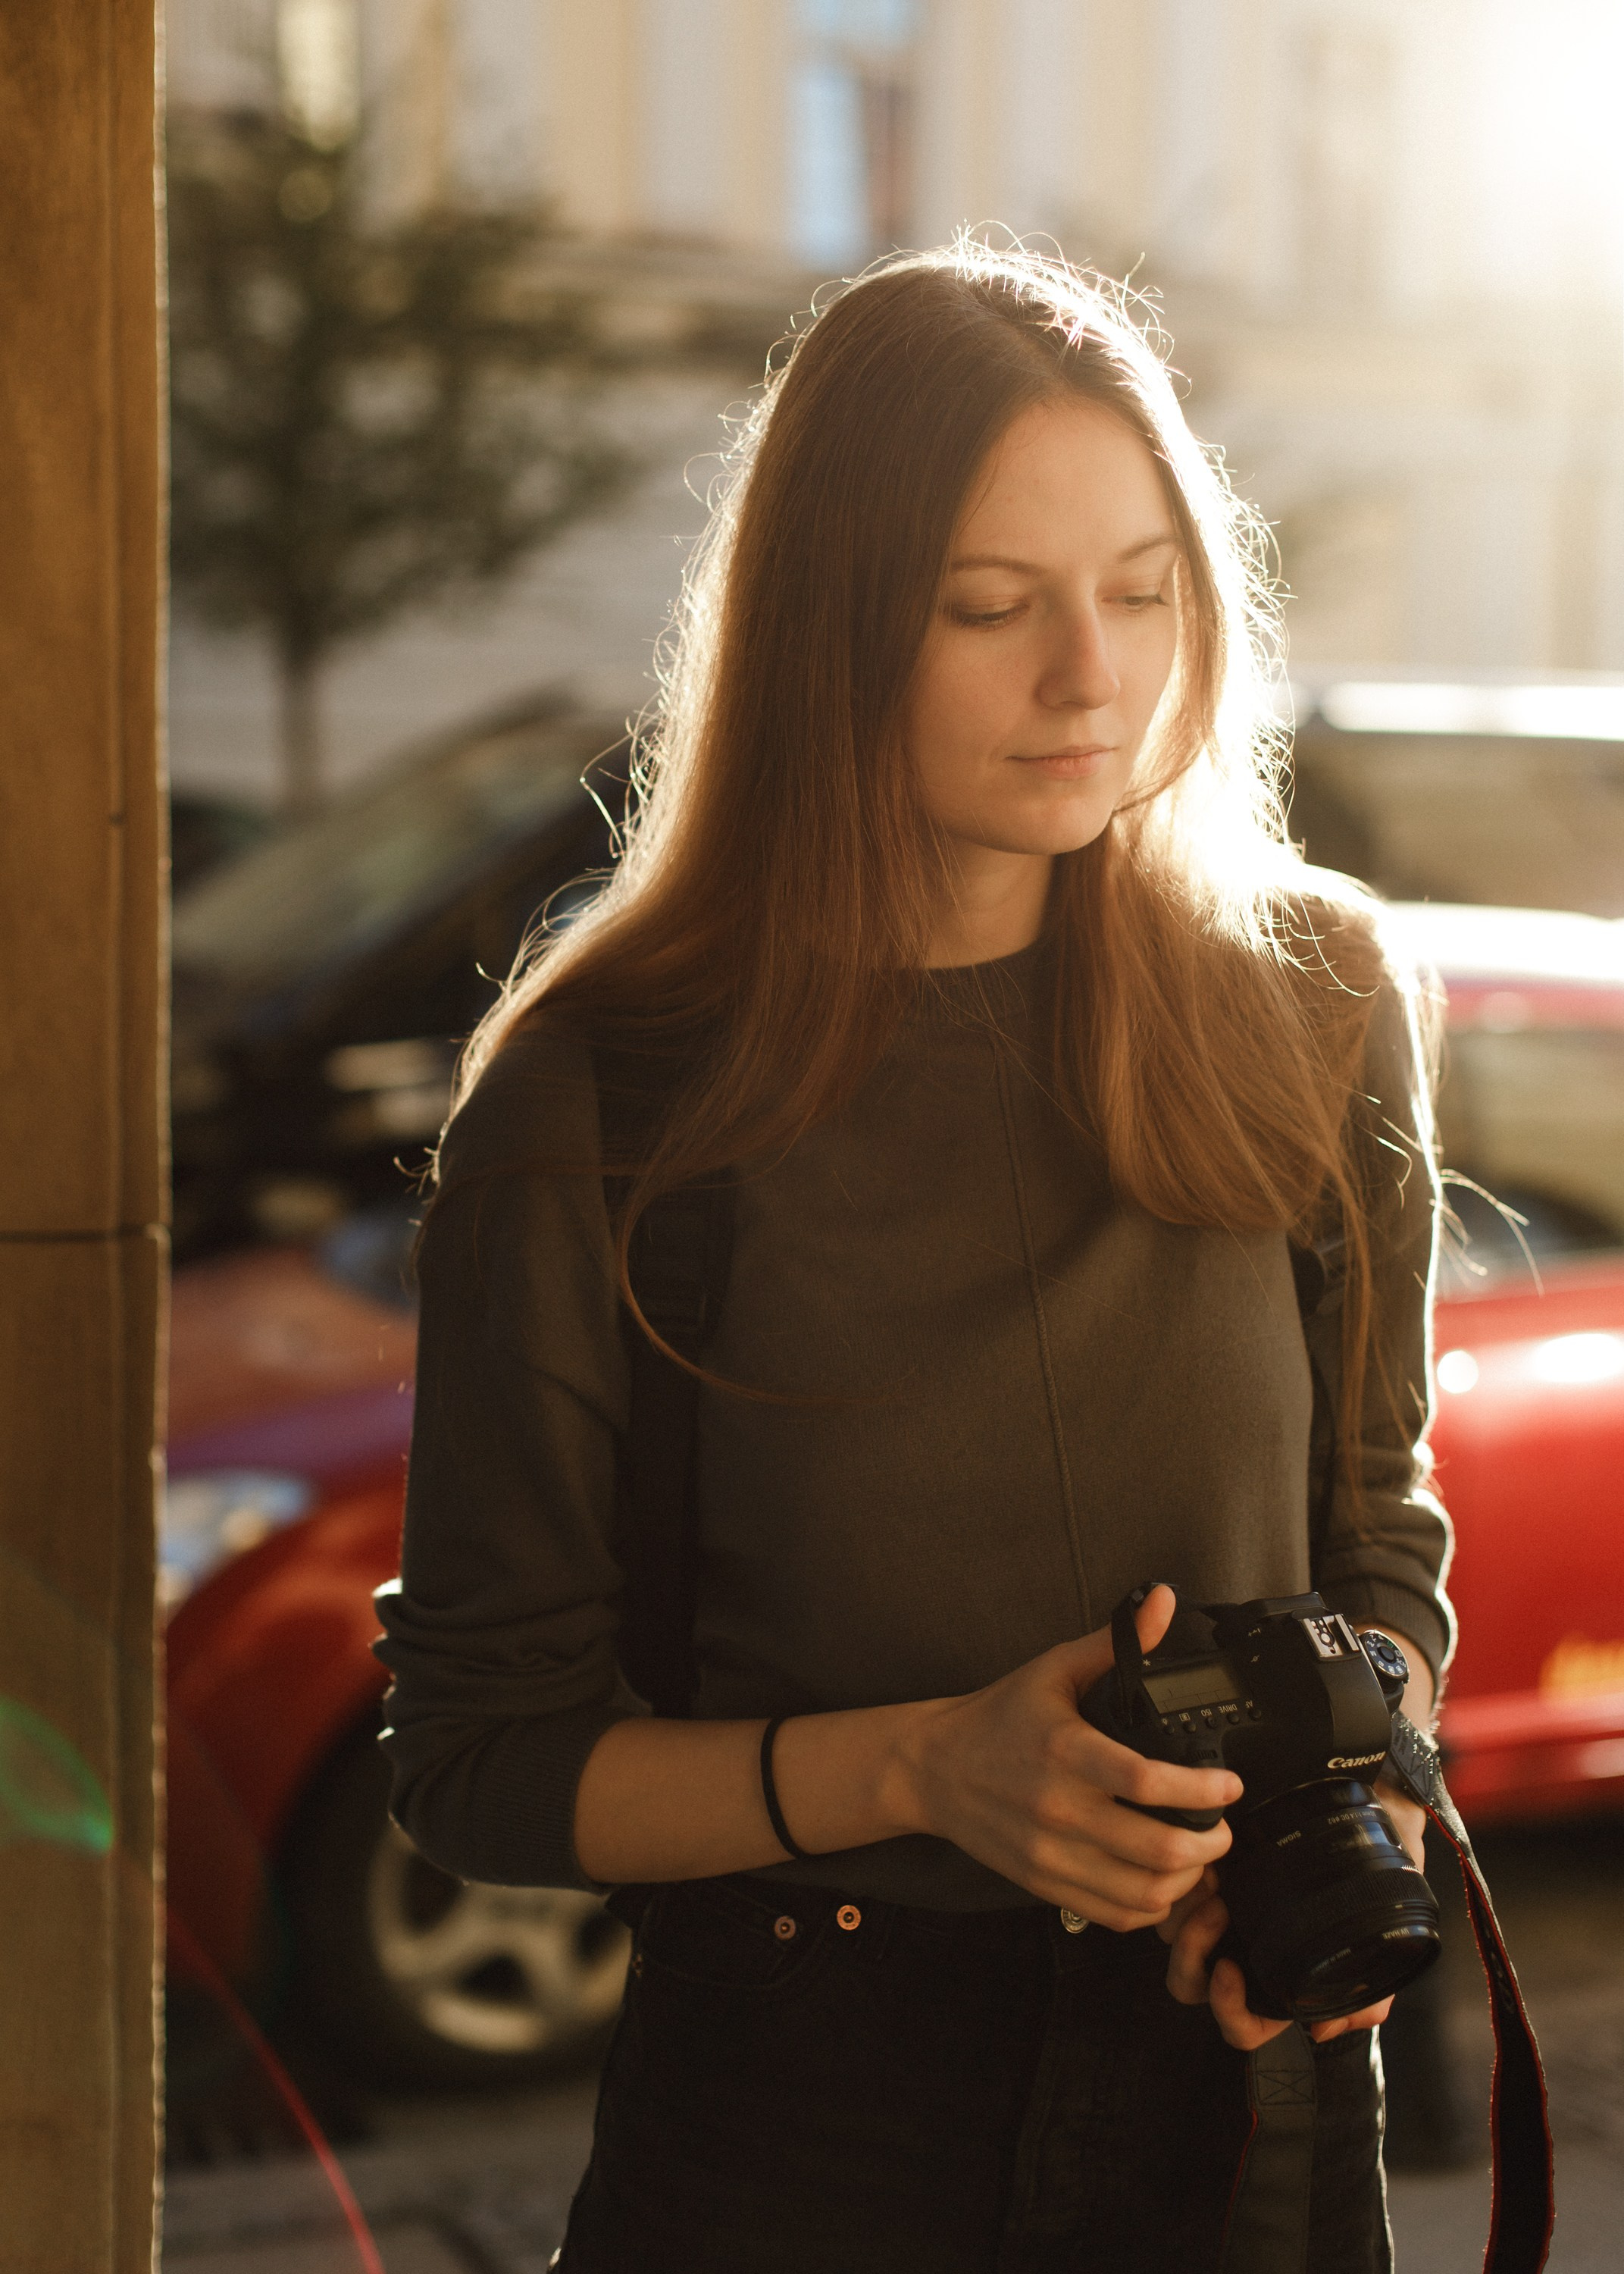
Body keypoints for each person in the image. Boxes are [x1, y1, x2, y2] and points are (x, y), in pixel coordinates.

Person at [374, 243, 1453, 2274]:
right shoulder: (599, 1107)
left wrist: (1355, 1823)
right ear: (827, 630)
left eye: (1143, 591)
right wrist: (925, 1771)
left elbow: (1375, 1535)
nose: (1092, 677)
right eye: (990, 606)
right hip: (805, 2135)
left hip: (1253, 2113)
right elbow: (481, 1763)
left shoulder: (1323, 998)